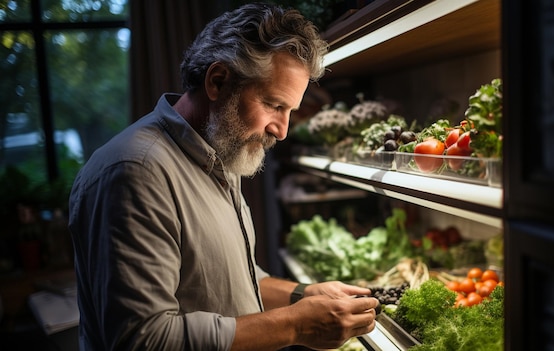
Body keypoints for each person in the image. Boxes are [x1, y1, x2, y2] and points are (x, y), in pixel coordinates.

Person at [68, 3, 379, 351]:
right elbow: (142, 339)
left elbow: (226, 283)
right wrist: (296, 326)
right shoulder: (134, 172)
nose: (283, 130)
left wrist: (302, 294)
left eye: (290, 111)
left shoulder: (218, 154)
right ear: (218, 81)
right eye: (275, 105)